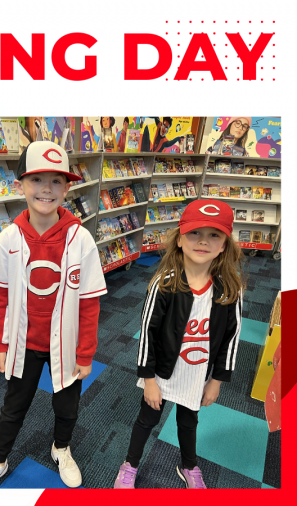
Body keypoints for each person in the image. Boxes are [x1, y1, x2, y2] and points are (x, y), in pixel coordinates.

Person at [0, 141, 106, 489]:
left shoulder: (81, 239)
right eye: (37, 179)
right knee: (13, 407)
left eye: (56, 181)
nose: (46, 189)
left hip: (68, 345)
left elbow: (89, 302)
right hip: (23, 342)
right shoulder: (9, 238)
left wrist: (86, 352)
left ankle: (62, 448)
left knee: (67, 407)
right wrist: (0, 344)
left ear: (68, 187)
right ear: (20, 186)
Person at [114, 200, 243, 489]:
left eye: (214, 235)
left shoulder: (230, 290)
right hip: (161, 371)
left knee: (188, 423)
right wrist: (148, 379)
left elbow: (231, 338)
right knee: (147, 420)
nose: (203, 242)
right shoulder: (165, 283)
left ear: (224, 245)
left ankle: (189, 466)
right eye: (196, 233)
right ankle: (130, 464)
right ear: (181, 238)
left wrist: (217, 381)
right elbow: (147, 333)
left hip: (198, 374)